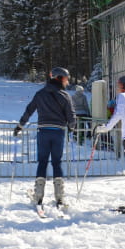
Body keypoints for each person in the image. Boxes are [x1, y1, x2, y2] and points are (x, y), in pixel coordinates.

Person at [13, 67, 76, 207]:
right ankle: (59, 196)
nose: (67, 82)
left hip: (43, 132)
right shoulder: (65, 96)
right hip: (58, 132)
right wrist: (72, 128)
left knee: (42, 162)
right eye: (66, 79)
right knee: (56, 162)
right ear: (59, 78)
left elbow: (29, 111)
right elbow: (71, 117)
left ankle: (39, 194)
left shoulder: (40, 94)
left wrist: (20, 126)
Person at [96, 76, 125, 152]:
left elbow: (118, 114)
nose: (118, 87)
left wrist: (106, 128)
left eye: (118, 84)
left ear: (122, 85)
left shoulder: (122, 96)